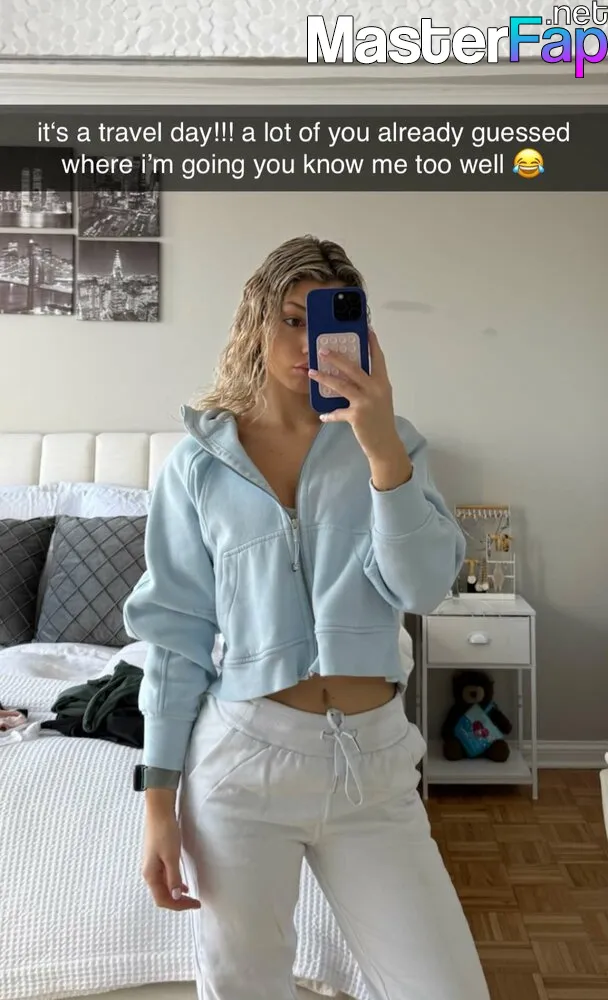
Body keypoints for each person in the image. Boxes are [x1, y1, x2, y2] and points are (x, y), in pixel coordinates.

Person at [123, 235, 490, 1000]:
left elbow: (423, 588)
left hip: (374, 769)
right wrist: (158, 804)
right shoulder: (199, 464)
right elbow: (175, 636)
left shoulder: (392, 444)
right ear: (255, 321)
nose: (307, 342)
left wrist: (382, 449)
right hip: (242, 765)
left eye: (327, 321)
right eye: (291, 319)